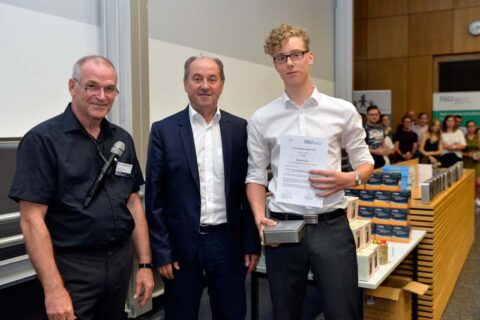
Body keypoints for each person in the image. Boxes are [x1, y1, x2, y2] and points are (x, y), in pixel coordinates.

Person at [9, 55, 154, 320]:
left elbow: (133, 202)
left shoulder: (121, 139)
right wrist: (53, 289)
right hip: (73, 267)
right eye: (92, 86)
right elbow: (31, 219)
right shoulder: (42, 141)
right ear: (72, 87)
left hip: (120, 262)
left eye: (109, 88)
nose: (102, 95)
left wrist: (144, 264)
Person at [246, 23, 374, 320]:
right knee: (285, 311)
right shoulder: (263, 117)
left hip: (331, 225)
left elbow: (365, 163)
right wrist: (258, 217)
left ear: (310, 57)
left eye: (295, 54)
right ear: (275, 64)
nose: (289, 62)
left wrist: (349, 179)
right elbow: (254, 176)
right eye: (281, 57)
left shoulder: (342, 111)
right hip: (283, 226)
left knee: (343, 310)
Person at [145, 56, 261, 319]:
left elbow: (251, 189)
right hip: (182, 246)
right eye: (197, 79)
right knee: (180, 314)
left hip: (228, 243)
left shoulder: (240, 129)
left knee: (231, 313)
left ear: (222, 85)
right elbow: (155, 198)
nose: (204, 85)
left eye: (212, 79)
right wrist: (162, 252)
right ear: (186, 83)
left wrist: (251, 243)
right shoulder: (164, 131)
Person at [462, 120, 480, 205]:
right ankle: (468, 199)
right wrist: (467, 154)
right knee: (468, 182)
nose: (471, 128)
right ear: (466, 128)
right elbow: (459, 152)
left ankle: (476, 198)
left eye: (472, 126)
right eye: (469, 126)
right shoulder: (463, 137)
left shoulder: (478, 136)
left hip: (477, 162)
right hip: (467, 162)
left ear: (475, 127)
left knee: (478, 182)